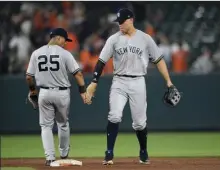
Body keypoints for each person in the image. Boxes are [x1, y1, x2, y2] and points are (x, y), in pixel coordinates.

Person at [87, 8, 181, 165]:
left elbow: (159, 60)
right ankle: (109, 153)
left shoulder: (145, 39)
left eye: (122, 21)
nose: (119, 25)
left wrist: (169, 82)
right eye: (118, 22)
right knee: (114, 115)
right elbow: (101, 61)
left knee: (139, 123)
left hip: (138, 82)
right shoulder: (114, 39)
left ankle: (143, 151)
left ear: (131, 20)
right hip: (119, 81)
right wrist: (94, 82)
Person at [25, 28, 90, 166]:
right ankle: (64, 154)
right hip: (62, 93)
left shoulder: (36, 53)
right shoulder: (65, 54)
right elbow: (78, 74)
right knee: (63, 124)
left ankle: (50, 158)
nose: (65, 43)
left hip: (44, 93)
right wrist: (83, 91)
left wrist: (33, 91)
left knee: (46, 126)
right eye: (65, 40)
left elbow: (29, 77)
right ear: (58, 38)